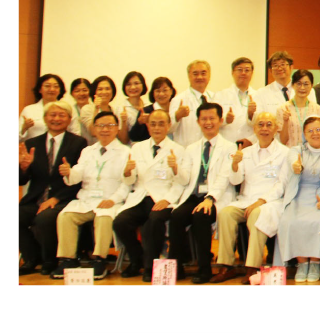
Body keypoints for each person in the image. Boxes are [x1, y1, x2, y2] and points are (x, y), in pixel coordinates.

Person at [211, 111, 289, 284]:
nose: (264, 128)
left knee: (256, 215)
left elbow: (282, 185)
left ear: (276, 128)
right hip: (246, 200)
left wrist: (262, 201)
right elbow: (235, 180)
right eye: (260, 124)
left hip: (270, 202)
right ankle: (227, 265)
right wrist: (235, 165)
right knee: (225, 213)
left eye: (269, 124)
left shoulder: (284, 153)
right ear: (254, 129)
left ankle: (252, 267)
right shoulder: (245, 152)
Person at [52, 111, 131, 279]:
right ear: (94, 129)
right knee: (65, 216)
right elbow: (77, 174)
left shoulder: (126, 152)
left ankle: (99, 260)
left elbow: (128, 183)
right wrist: (69, 172)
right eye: (100, 126)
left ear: (117, 128)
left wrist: (113, 200)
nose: (105, 129)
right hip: (87, 199)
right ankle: (68, 259)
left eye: (110, 125)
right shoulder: (87, 151)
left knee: (104, 218)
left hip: (110, 199)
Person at [111, 109, 184, 282]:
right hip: (141, 196)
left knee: (154, 220)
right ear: (147, 126)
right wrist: (127, 172)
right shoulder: (137, 148)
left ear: (168, 126)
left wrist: (167, 199)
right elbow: (130, 180)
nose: (156, 128)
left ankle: (150, 266)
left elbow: (181, 182)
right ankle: (137, 258)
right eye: (153, 124)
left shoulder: (178, 150)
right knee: (120, 222)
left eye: (161, 124)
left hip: (163, 197)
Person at [170, 102, 239, 283]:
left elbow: (224, 177)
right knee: (176, 216)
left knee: (201, 216)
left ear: (220, 120)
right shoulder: (191, 148)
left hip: (217, 197)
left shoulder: (230, 147)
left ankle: (204, 269)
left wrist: (210, 198)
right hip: (193, 195)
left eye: (212, 118)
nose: (208, 122)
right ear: (198, 122)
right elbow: (185, 179)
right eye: (204, 119)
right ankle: (176, 268)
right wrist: (176, 169)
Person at [17, 101, 87, 276]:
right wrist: (23, 168)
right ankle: (31, 259)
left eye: (62, 115)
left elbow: (80, 179)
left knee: (44, 218)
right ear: (45, 118)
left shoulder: (78, 143)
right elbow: (21, 180)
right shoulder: (32, 143)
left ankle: (49, 261)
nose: (56, 119)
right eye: (52, 115)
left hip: (63, 198)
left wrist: (56, 198)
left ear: (69, 119)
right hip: (36, 198)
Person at [274, 117, 320, 282]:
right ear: (304, 134)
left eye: (318, 130)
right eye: (310, 131)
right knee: (290, 221)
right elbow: (293, 163)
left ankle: (315, 263)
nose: (315, 134)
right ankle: (302, 263)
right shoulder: (296, 151)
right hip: (298, 195)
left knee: (318, 222)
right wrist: (296, 167)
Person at [254, 51, 317, 128]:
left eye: (283, 64)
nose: (279, 68)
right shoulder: (261, 93)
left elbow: (313, 114)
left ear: (291, 67)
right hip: (276, 134)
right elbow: (258, 120)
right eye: (275, 66)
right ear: (270, 70)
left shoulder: (307, 90)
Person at [214, 57, 258, 146]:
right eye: (239, 70)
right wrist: (225, 120)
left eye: (247, 70)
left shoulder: (258, 95)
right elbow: (211, 122)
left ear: (252, 73)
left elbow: (264, 124)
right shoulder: (219, 95)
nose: (243, 73)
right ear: (232, 72)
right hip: (225, 145)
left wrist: (251, 140)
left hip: (250, 145)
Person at [20, 74, 77, 142]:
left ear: (60, 90)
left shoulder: (69, 109)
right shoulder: (29, 110)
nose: (52, 89)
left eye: (56, 86)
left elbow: (76, 132)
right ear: (39, 89)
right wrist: (24, 128)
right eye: (47, 86)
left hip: (63, 147)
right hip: (34, 147)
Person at [170, 60, 214, 147]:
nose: (200, 77)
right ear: (189, 76)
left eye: (203, 73)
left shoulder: (215, 97)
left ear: (209, 76)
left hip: (211, 148)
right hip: (186, 149)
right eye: (195, 74)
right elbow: (168, 129)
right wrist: (177, 116)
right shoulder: (178, 100)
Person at [278, 69, 320, 147]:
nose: (302, 88)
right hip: (290, 152)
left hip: (312, 152)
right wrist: (286, 122)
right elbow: (282, 141)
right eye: (299, 84)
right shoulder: (283, 109)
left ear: (311, 86)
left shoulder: (318, 110)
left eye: (306, 84)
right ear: (292, 85)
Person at [79, 76, 118, 145]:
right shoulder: (87, 109)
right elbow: (94, 132)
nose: (104, 92)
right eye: (100, 89)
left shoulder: (115, 110)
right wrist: (96, 108)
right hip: (93, 149)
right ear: (94, 92)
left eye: (107, 89)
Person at [115, 71, 149, 144]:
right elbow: (123, 141)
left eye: (136, 83)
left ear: (143, 85)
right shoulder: (121, 108)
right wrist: (124, 121)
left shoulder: (148, 105)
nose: (133, 87)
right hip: (131, 149)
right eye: (128, 84)